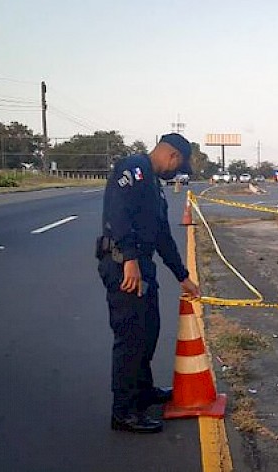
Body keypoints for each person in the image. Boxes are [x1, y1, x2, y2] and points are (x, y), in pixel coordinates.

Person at [96, 133, 201, 433]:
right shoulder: (133, 168)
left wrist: (182, 276)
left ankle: (143, 392)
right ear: (172, 156)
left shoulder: (153, 184)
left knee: (148, 332)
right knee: (130, 338)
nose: (176, 172)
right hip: (124, 265)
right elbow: (118, 214)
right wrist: (129, 258)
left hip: (142, 266)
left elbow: (162, 236)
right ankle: (124, 411)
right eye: (178, 165)